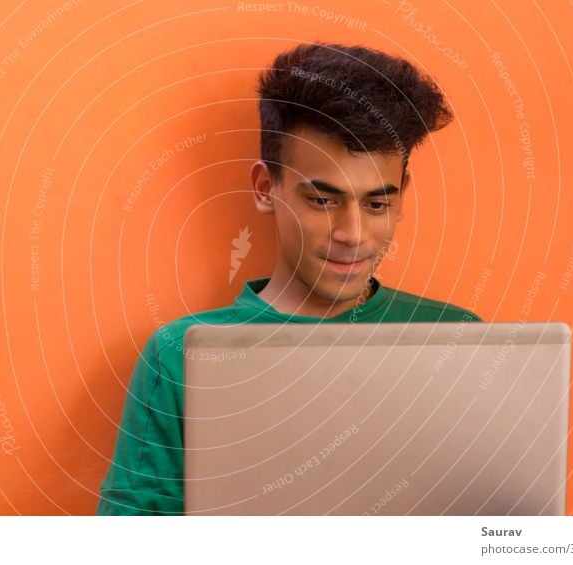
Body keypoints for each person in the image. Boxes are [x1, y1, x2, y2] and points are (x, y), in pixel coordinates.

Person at [96, 42, 481, 515]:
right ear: (265, 189)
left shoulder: (461, 341)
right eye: (322, 200)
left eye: (377, 204)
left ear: (401, 195)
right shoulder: (181, 355)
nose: (352, 234)